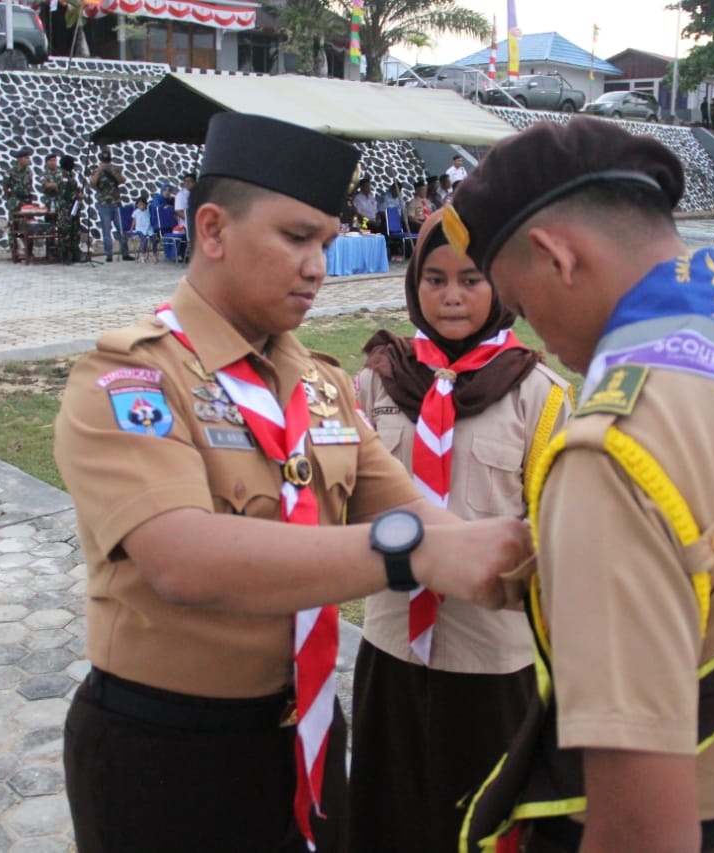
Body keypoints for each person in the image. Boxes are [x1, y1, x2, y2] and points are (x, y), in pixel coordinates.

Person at [52, 112, 534, 853]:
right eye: (296, 237)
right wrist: (407, 553)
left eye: (328, 244)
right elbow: (182, 557)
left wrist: (538, 555)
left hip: (305, 727)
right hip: (169, 749)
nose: (317, 266)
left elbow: (420, 514)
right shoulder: (131, 379)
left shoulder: (319, 385)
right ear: (212, 231)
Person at [445, 118, 714, 852]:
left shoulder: (614, 451)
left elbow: (639, 828)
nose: (532, 336)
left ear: (556, 256)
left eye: (519, 307)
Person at [347, 210, 572, 852]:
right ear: (413, 284)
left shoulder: (539, 395)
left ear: (502, 286)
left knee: (481, 821)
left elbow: (553, 529)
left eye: (472, 279)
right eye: (435, 278)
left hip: (492, 658)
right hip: (391, 644)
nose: (451, 295)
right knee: (387, 810)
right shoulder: (374, 382)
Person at [90, 150, 132, 262]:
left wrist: (112, 170)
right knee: (106, 230)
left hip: (116, 203)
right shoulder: (96, 170)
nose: (106, 162)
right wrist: (100, 170)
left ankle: (125, 253)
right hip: (103, 204)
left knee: (121, 229)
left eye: (107, 159)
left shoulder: (115, 169)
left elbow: (122, 180)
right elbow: (92, 184)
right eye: (104, 160)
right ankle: (109, 254)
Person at [55, 155, 84, 263]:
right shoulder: (62, 176)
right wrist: (77, 195)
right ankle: (65, 255)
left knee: (75, 230)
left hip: (74, 207)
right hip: (65, 208)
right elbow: (64, 193)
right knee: (65, 231)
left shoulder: (70, 175)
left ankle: (75, 254)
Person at [1, 146, 35, 217]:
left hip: (26, 201)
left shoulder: (29, 171)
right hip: (15, 201)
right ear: (19, 159)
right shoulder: (11, 172)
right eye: (26, 158)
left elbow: (30, 184)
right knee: (14, 223)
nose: (28, 160)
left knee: (28, 223)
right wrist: (9, 198)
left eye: (28, 158)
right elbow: (5, 186)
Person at [126, 194, 155, 259]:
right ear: (137, 205)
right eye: (139, 204)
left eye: (142, 204)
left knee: (154, 239)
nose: (141, 206)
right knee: (144, 239)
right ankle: (143, 255)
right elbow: (134, 221)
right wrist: (131, 229)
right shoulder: (136, 212)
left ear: (145, 204)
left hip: (148, 228)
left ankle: (154, 254)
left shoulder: (148, 212)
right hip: (139, 229)